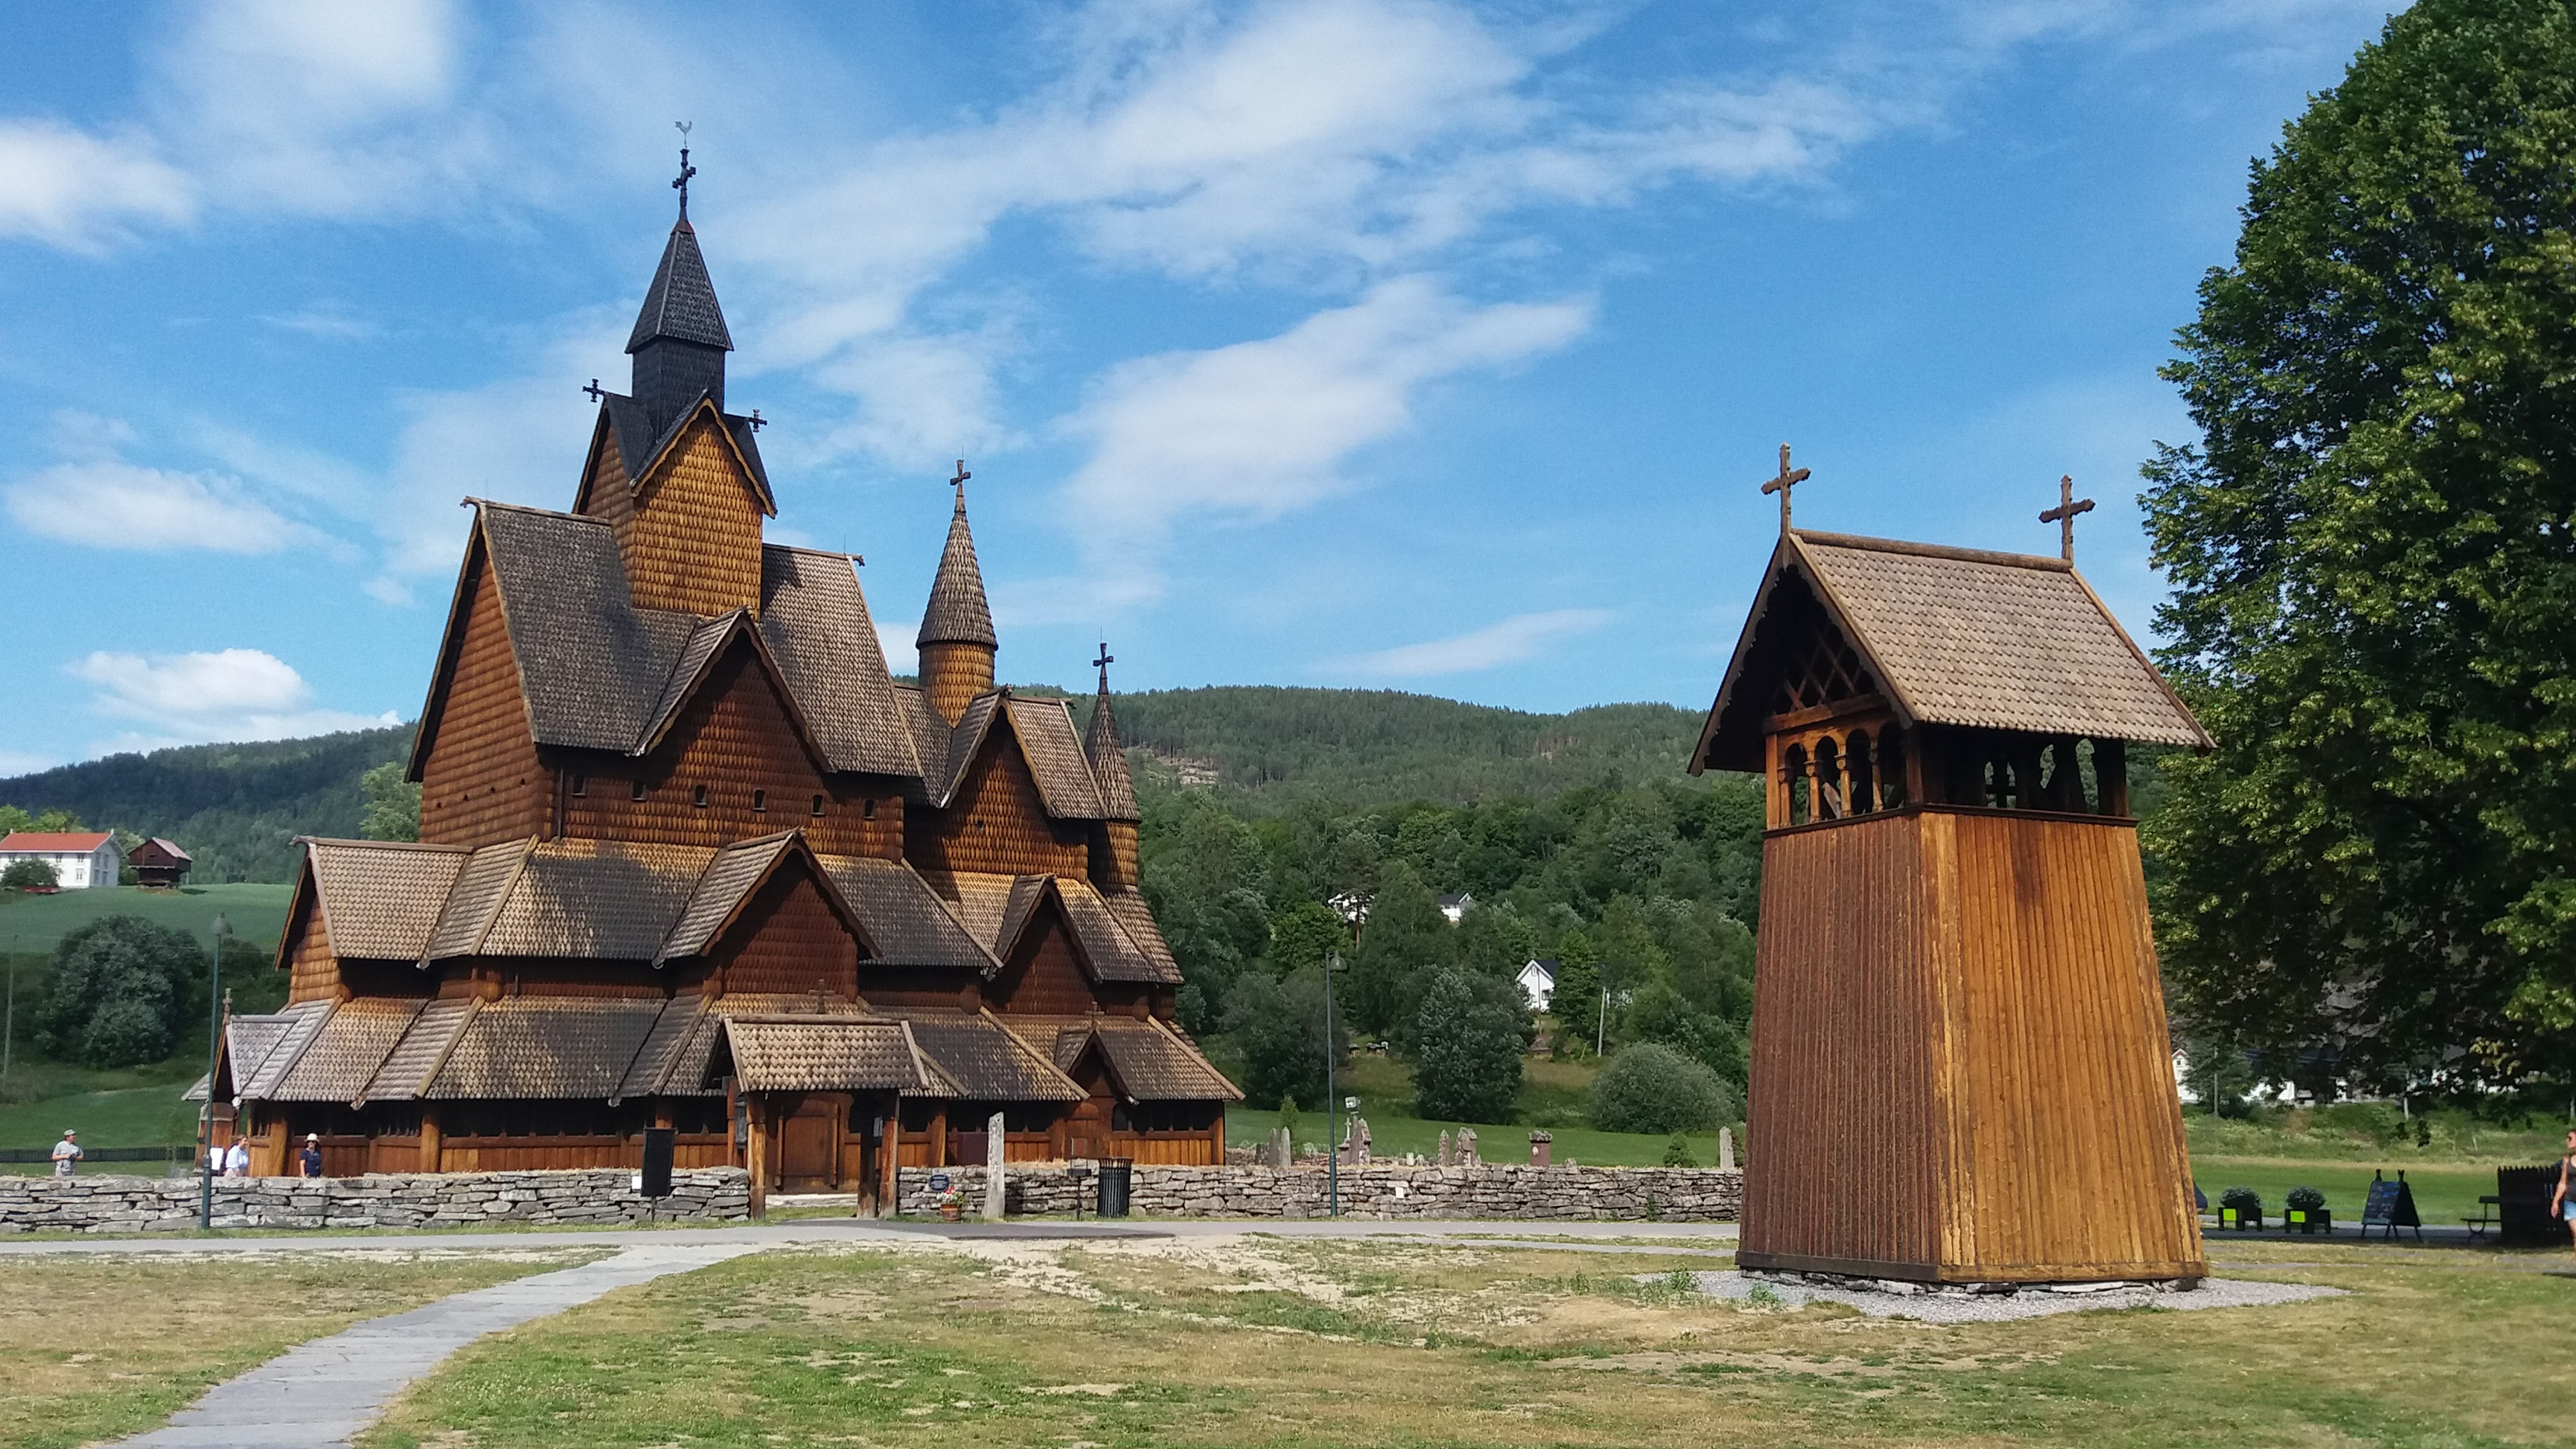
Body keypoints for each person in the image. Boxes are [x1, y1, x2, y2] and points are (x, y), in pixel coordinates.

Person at [2554, 1127, 2576, 1258]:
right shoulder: (2567, 1160)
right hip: (2571, 1202)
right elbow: (2563, 1183)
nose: (2567, 1141)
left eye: (2570, 1138)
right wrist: (2556, 1201)